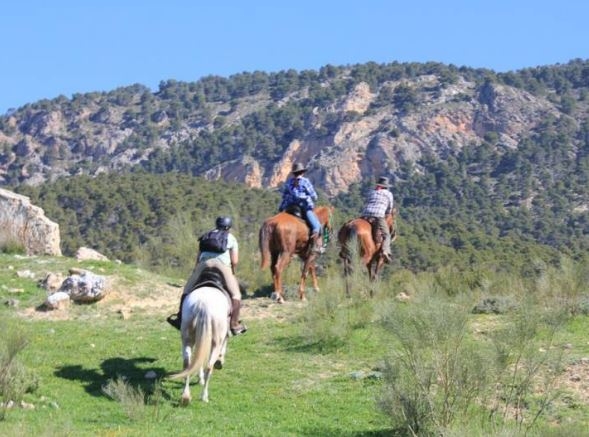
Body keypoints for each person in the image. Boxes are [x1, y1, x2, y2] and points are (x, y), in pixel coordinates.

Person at [166, 216, 247, 335]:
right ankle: (234, 325)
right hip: (222, 267)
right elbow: (234, 261)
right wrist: (232, 270)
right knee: (236, 295)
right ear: (228, 227)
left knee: (186, 290)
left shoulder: (206, 235)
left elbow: (198, 257)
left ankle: (180, 318)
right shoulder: (231, 238)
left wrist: (196, 270)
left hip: (203, 265)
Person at [279, 162, 323, 252]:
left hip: (290, 207)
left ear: (294, 173)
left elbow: (284, 196)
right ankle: (315, 247)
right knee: (317, 227)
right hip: (303, 206)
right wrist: (312, 198)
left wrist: (281, 208)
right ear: (302, 172)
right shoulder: (305, 181)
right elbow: (314, 196)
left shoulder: (289, 182)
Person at [361, 176, 394, 263]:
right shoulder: (389, 194)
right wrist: (387, 213)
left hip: (365, 214)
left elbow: (366, 202)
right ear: (386, 187)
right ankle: (385, 251)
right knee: (387, 235)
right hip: (378, 215)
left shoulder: (371, 192)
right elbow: (390, 208)